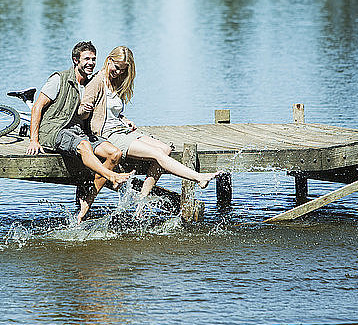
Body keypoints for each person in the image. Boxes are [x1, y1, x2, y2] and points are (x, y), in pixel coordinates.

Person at [79, 45, 221, 215]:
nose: (118, 73)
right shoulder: (97, 82)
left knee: (165, 149)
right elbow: (83, 113)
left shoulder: (115, 83)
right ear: (109, 60)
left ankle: (141, 201)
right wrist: (84, 109)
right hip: (108, 136)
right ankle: (198, 177)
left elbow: (112, 112)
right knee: (157, 155)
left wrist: (124, 119)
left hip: (122, 130)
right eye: (116, 68)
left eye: (123, 70)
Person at [26, 41, 133, 223]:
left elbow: (108, 108)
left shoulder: (92, 82)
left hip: (78, 132)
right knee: (84, 146)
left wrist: (123, 120)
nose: (91, 62)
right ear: (76, 60)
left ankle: (88, 198)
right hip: (55, 130)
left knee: (115, 153)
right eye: (86, 59)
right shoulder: (59, 79)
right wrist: (34, 140)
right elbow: (37, 107)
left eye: (93, 59)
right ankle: (112, 176)